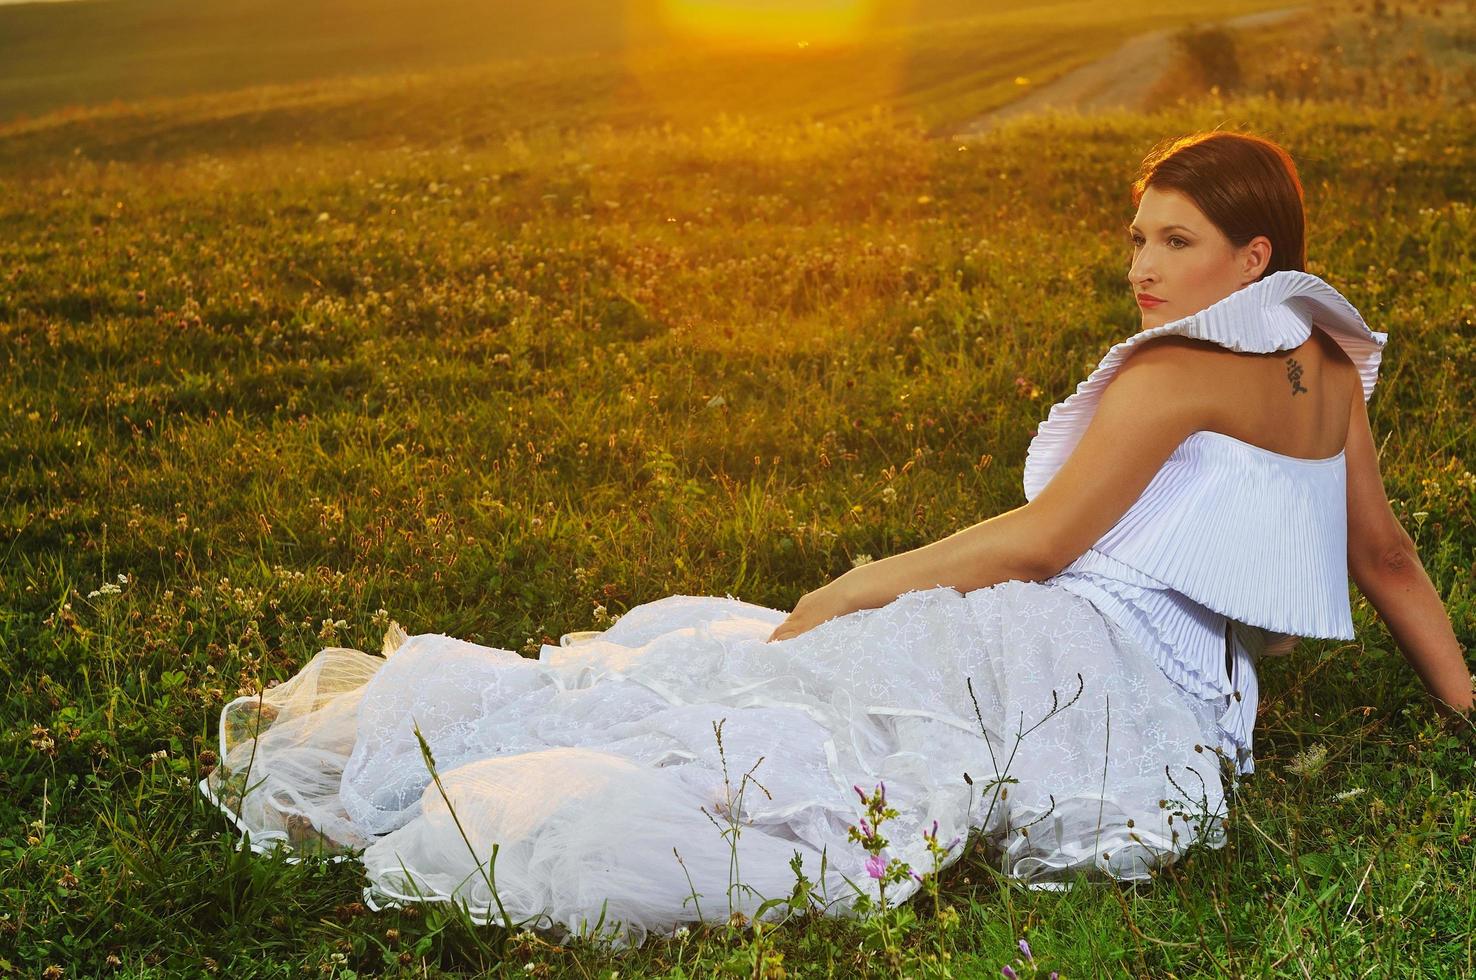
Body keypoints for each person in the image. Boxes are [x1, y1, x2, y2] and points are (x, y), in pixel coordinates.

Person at [198, 131, 1472, 949]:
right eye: (1138, 234)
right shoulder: (1326, 368)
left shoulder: (1176, 375)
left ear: (1255, 252)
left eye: (1175, 240)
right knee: (792, 684)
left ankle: (489, 777)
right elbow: (1390, 559)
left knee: (806, 693)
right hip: (1192, 703)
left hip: (1074, 638)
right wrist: (1465, 696)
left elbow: (1040, 543)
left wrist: (859, 579)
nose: (1140, 264)